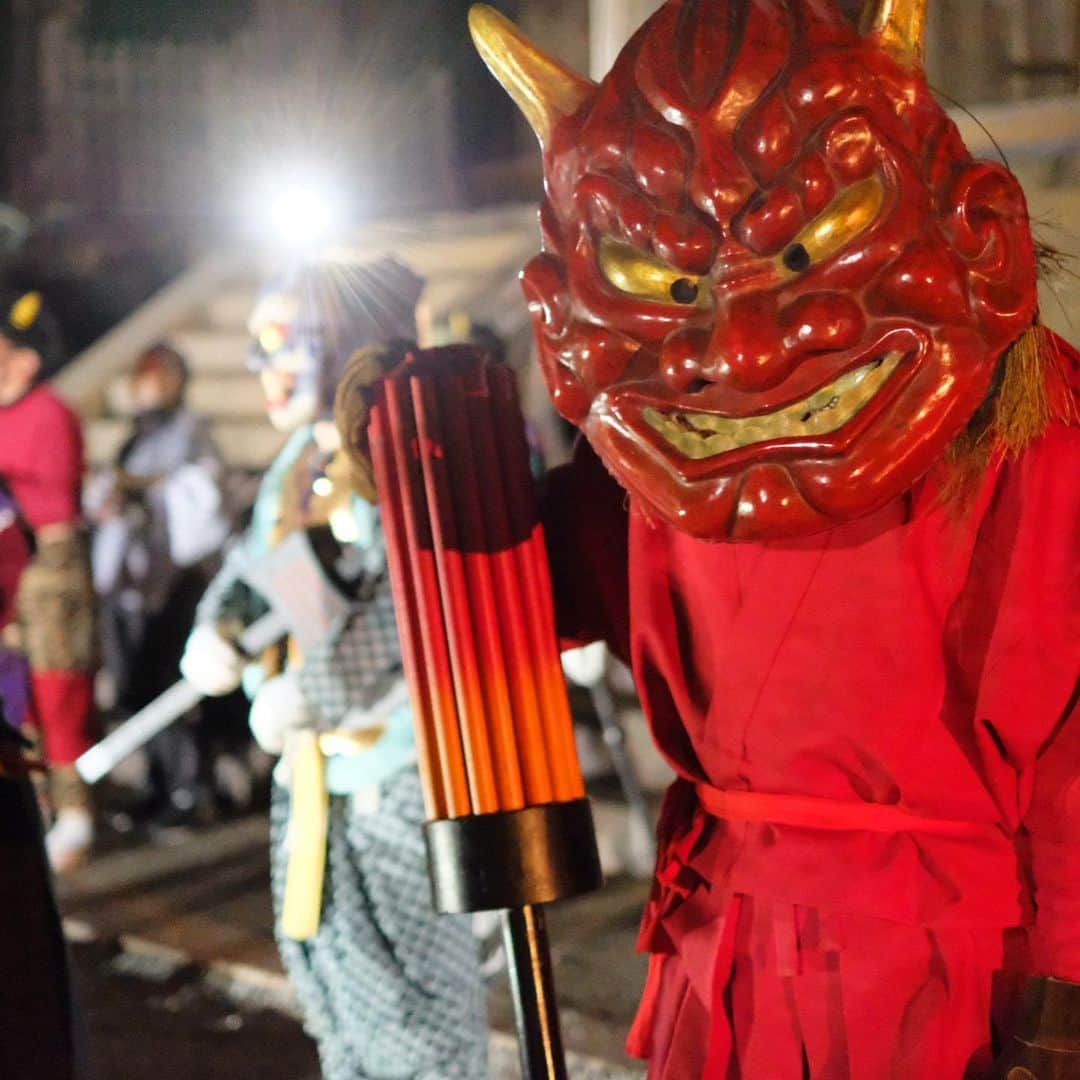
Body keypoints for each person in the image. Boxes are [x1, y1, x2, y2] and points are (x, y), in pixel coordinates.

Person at [348, 3, 1078, 1077]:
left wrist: (1063, 995)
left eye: (808, 243)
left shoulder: (1036, 424)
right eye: (670, 282)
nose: (742, 349)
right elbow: (533, 595)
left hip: (955, 970)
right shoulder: (669, 445)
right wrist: (419, 463)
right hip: (722, 942)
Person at [181, 259, 490, 1080]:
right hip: (316, 780)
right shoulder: (297, 462)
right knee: (332, 978)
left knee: (418, 1011)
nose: (264, 371)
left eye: (285, 345)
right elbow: (255, 567)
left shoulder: (404, 451)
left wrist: (310, 694)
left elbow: (408, 599)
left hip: (405, 773)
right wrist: (219, 629)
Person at [86, 342, 230, 822]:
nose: (144, 385)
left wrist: (141, 490)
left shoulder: (191, 434)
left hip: (172, 583)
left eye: (156, 375)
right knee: (135, 687)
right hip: (129, 583)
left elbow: (202, 501)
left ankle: (189, 789)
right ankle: (155, 782)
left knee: (169, 688)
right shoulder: (137, 436)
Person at [0, 290, 98, 871]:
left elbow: (51, 494)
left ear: (27, 359)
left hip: (50, 569)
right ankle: (30, 803)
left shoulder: (50, 412)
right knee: (16, 693)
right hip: (10, 569)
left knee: (60, 688)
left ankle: (76, 812)